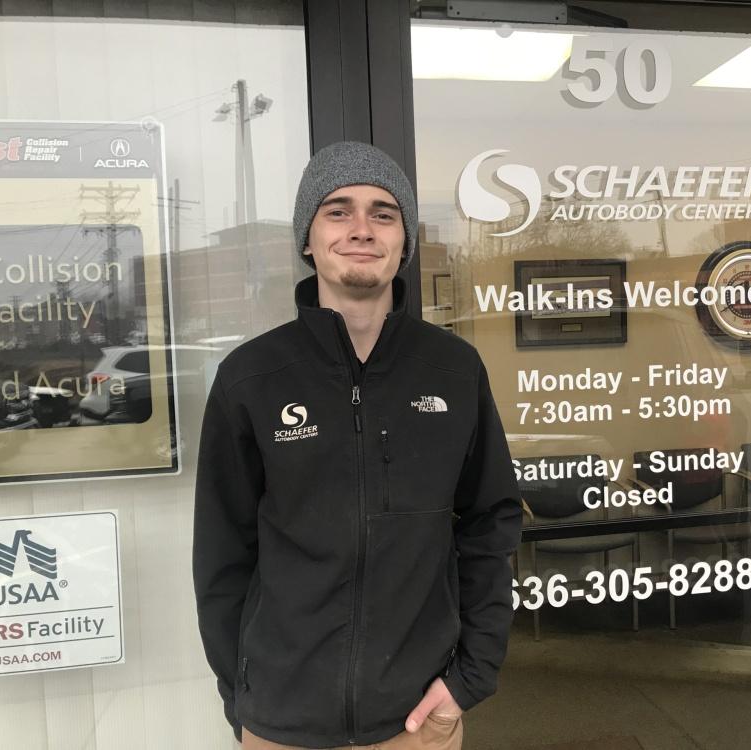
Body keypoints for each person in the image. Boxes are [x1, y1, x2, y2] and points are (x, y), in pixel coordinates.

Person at [192, 141, 523, 750]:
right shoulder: (251, 378)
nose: (362, 229)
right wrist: (241, 696)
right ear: (308, 238)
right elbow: (221, 555)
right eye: (337, 211)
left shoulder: (454, 371)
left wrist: (470, 676)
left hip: (419, 718)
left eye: (384, 213)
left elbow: (489, 524)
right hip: (281, 723)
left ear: (403, 242)